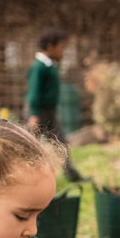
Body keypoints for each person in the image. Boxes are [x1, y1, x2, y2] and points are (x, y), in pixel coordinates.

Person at [26, 27, 84, 182]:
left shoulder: (51, 66)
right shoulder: (38, 67)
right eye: (61, 48)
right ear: (50, 47)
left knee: (61, 142)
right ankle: (25, 177)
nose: (63, 52)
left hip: (49, 112)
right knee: (31, 145)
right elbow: (34, 92)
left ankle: (71, 174)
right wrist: (33, 114)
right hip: (38, 112)